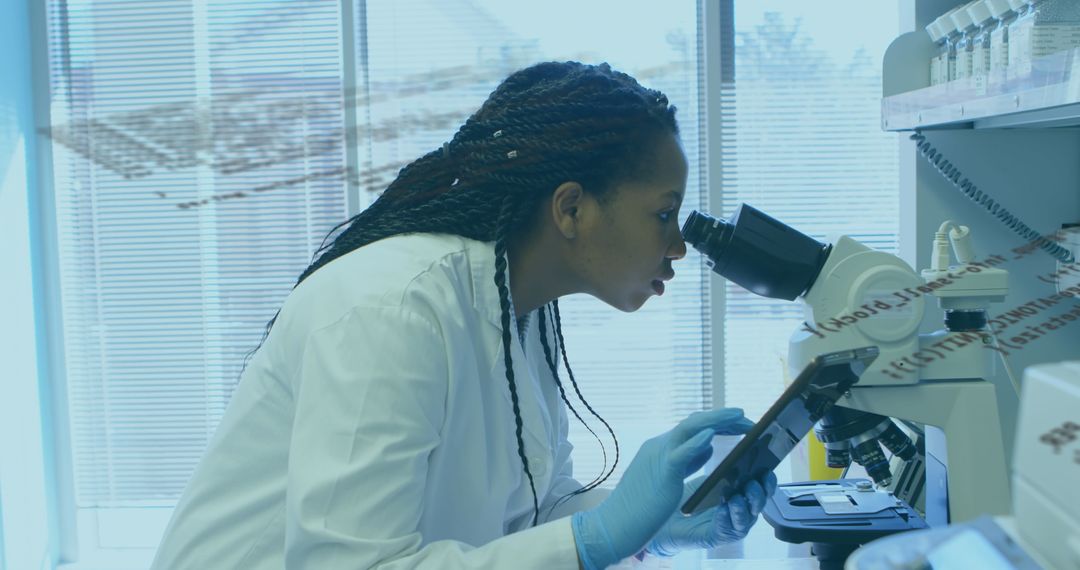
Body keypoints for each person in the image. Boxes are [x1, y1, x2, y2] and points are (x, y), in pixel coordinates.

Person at [151, 61, 777, 570]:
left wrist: (652, 524)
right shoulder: (394, 308)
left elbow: (530, 515)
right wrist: (594, 540)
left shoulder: (521, 314)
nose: (678, 247)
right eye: (663, 215)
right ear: (570, 209)